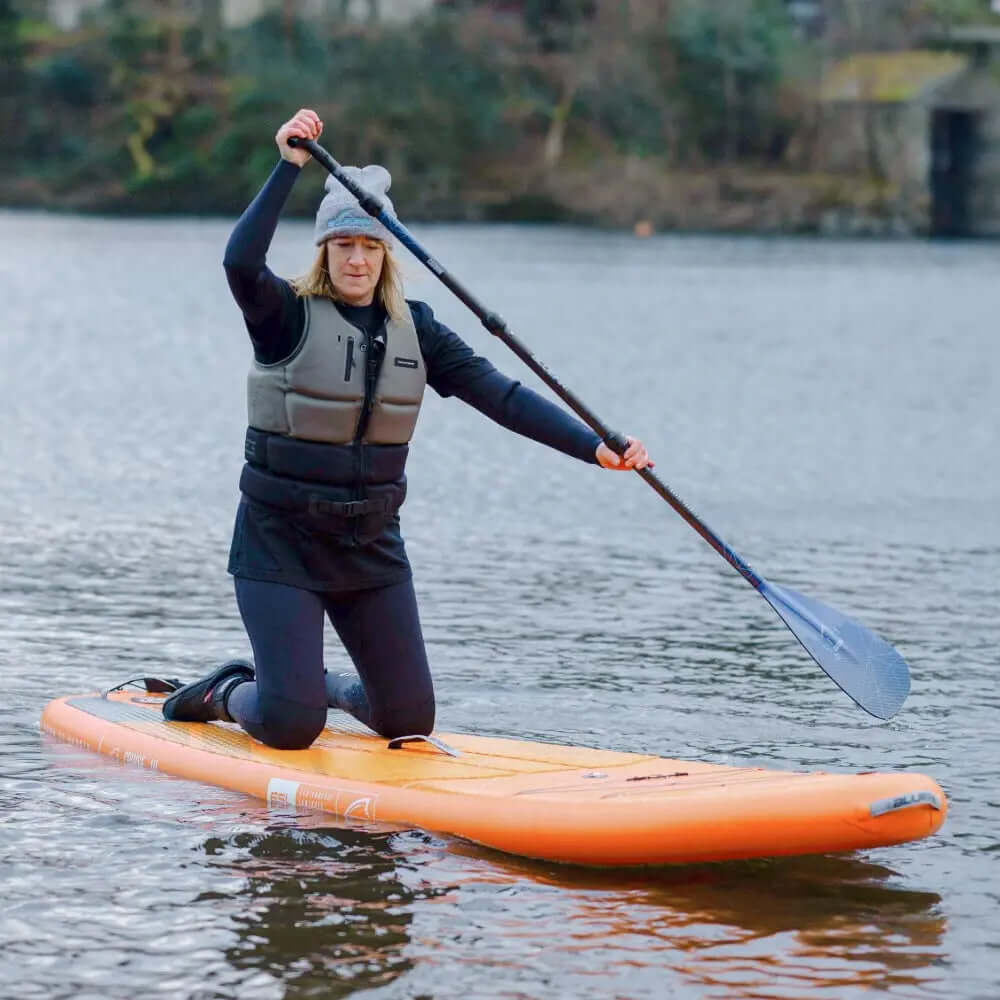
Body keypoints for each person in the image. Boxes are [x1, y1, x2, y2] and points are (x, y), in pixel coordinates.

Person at [162, 108, 652, 750]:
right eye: (343, 245)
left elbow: (501, 397)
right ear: (324, 251)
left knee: (407, 719)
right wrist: (288, 166)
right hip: (279, 543)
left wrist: (594, 448)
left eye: (369, 246)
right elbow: (238, 261)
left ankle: (320, 683)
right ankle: (228, 691)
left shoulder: (417, 329)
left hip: (370, 545)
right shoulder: (283, 315)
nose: (357, 260)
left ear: (387, 253)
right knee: (290, 725)